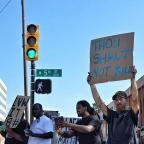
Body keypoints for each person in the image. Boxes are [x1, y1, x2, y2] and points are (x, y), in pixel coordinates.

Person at [87, 66, 139, 144]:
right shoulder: (111, 115)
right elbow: (99, 103)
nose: (118, 101)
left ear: (126, 100)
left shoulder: (131, 114)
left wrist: (133, 78)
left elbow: (135, 99)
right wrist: (92, 85)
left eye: (120, 99)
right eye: (116, 100)